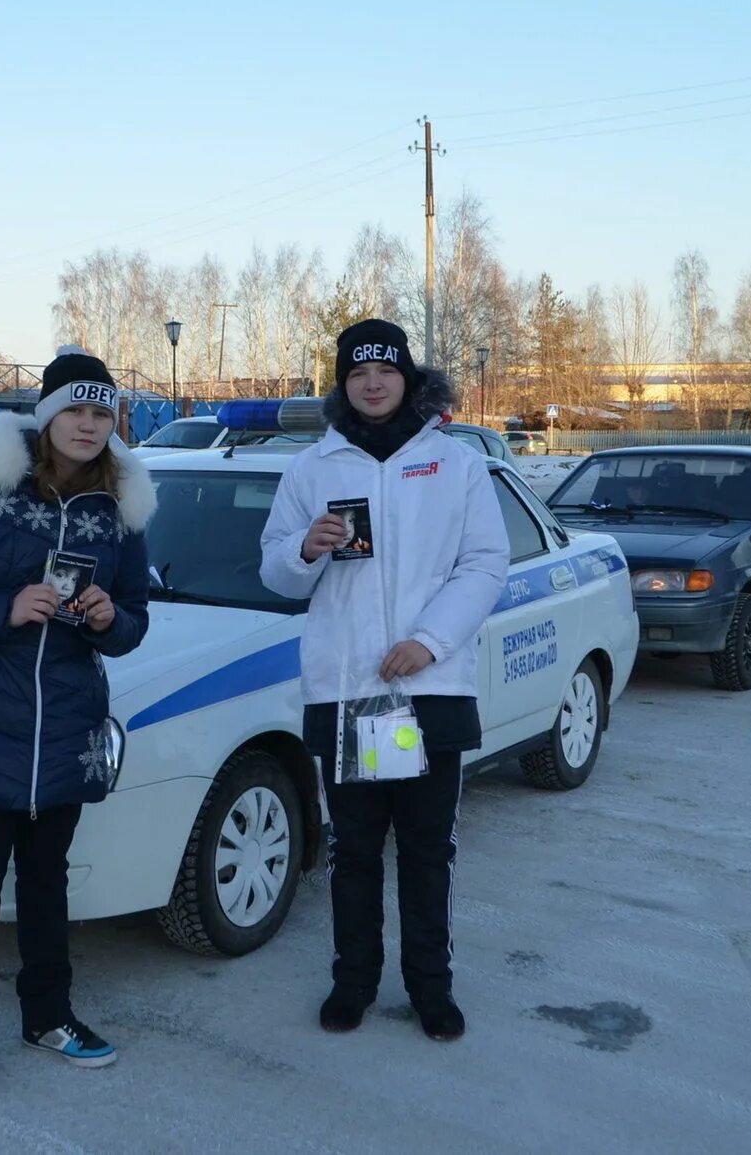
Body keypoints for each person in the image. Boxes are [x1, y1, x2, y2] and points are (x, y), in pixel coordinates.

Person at [0, 346, 155, 1100]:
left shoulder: (123, 510)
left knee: (49, 882)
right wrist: (3, 609)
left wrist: (110, 618)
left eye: (100, 411)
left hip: (67, 726)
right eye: (74, 409)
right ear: (46, 417)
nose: (87, 423)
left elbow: (136, 616)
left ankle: (49, 1016)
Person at [260, 319, 507, 1042]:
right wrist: (304, 549)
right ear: (342, 383)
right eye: (358, 372)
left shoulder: (454, 464)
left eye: (386, 370)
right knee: (354, 851)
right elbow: (275, 569)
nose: (373, 383)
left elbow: (485, 563)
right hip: (349, 691)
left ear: (408, 377)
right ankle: (354, 981)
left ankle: (431, 987)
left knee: (429, 850)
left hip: (428, 688)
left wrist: (429, 641)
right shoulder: (314, 468)